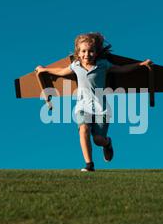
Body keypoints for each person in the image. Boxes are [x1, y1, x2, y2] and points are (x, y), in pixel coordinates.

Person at [35, 32, 153, 172]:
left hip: (101, 109)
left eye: (91, 51)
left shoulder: (103, 65)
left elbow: (121, 69)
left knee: (98, 139)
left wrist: (140, 64)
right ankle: (89, 165)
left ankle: (107, 143)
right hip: (82, 107)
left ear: (96, 52)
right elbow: (61, 71)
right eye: (83, 51)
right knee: (83, 129)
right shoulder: (75, 66)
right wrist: (44, 69)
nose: (87, 54)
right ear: (78, 53)